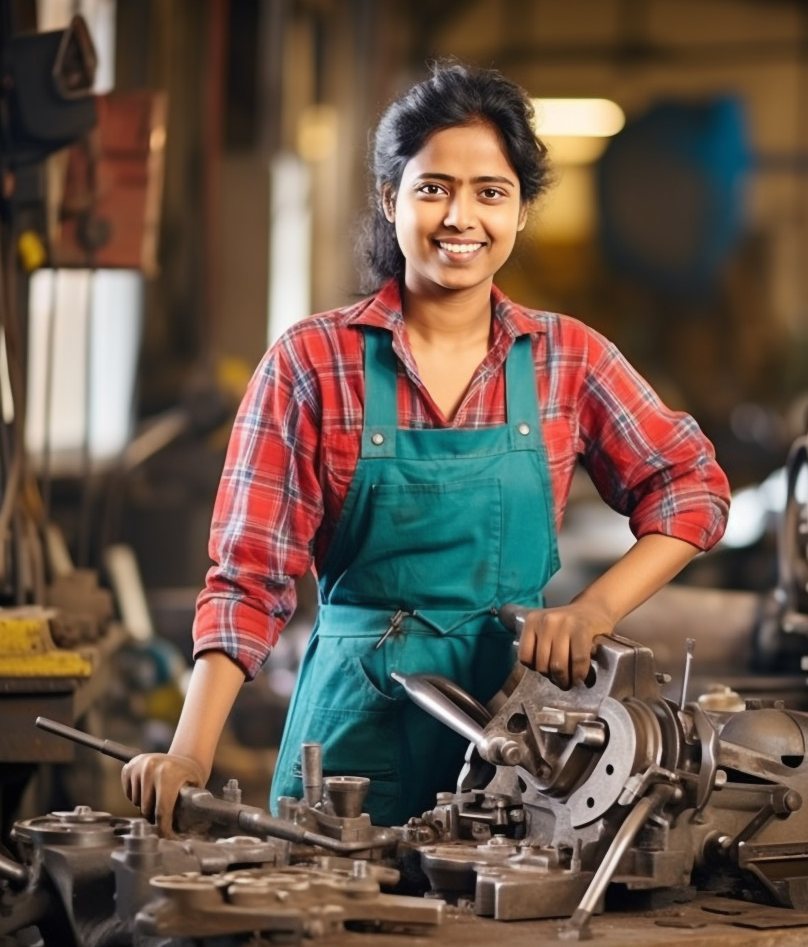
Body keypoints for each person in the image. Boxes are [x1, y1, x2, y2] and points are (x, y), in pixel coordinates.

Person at [122, 61, 730, 833]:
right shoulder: (312, 362)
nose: (460, 217)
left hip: (522, 744)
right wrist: (189, 755)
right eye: (433, 187)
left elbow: (691, 484)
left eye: (491, 192)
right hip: (347, 746)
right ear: (390, 198)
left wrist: (595, 609)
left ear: (521, 210)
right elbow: (248, 578)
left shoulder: (566, 359)